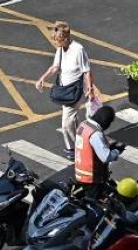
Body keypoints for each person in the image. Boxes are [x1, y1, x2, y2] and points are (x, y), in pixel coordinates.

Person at [36, 21, 96, 160]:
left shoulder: (78, 50)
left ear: (65, 38)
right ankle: (75, 146)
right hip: (65, 91)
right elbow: (55, 67)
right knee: (71, 121)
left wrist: (90, 89)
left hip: (75, 91)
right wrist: (43, 78)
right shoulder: (60, 49)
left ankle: (78, 148)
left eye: (58, 41)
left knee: (66, 123)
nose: (56, 44)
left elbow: (86, 71)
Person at [73, 105, 123, 199]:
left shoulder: (84, 124)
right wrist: (117, 151)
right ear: (105, 122)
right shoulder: (96, 134)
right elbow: (105, 157)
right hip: (92, 177)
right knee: (96, 204)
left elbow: (88, 146)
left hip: (80, 172)